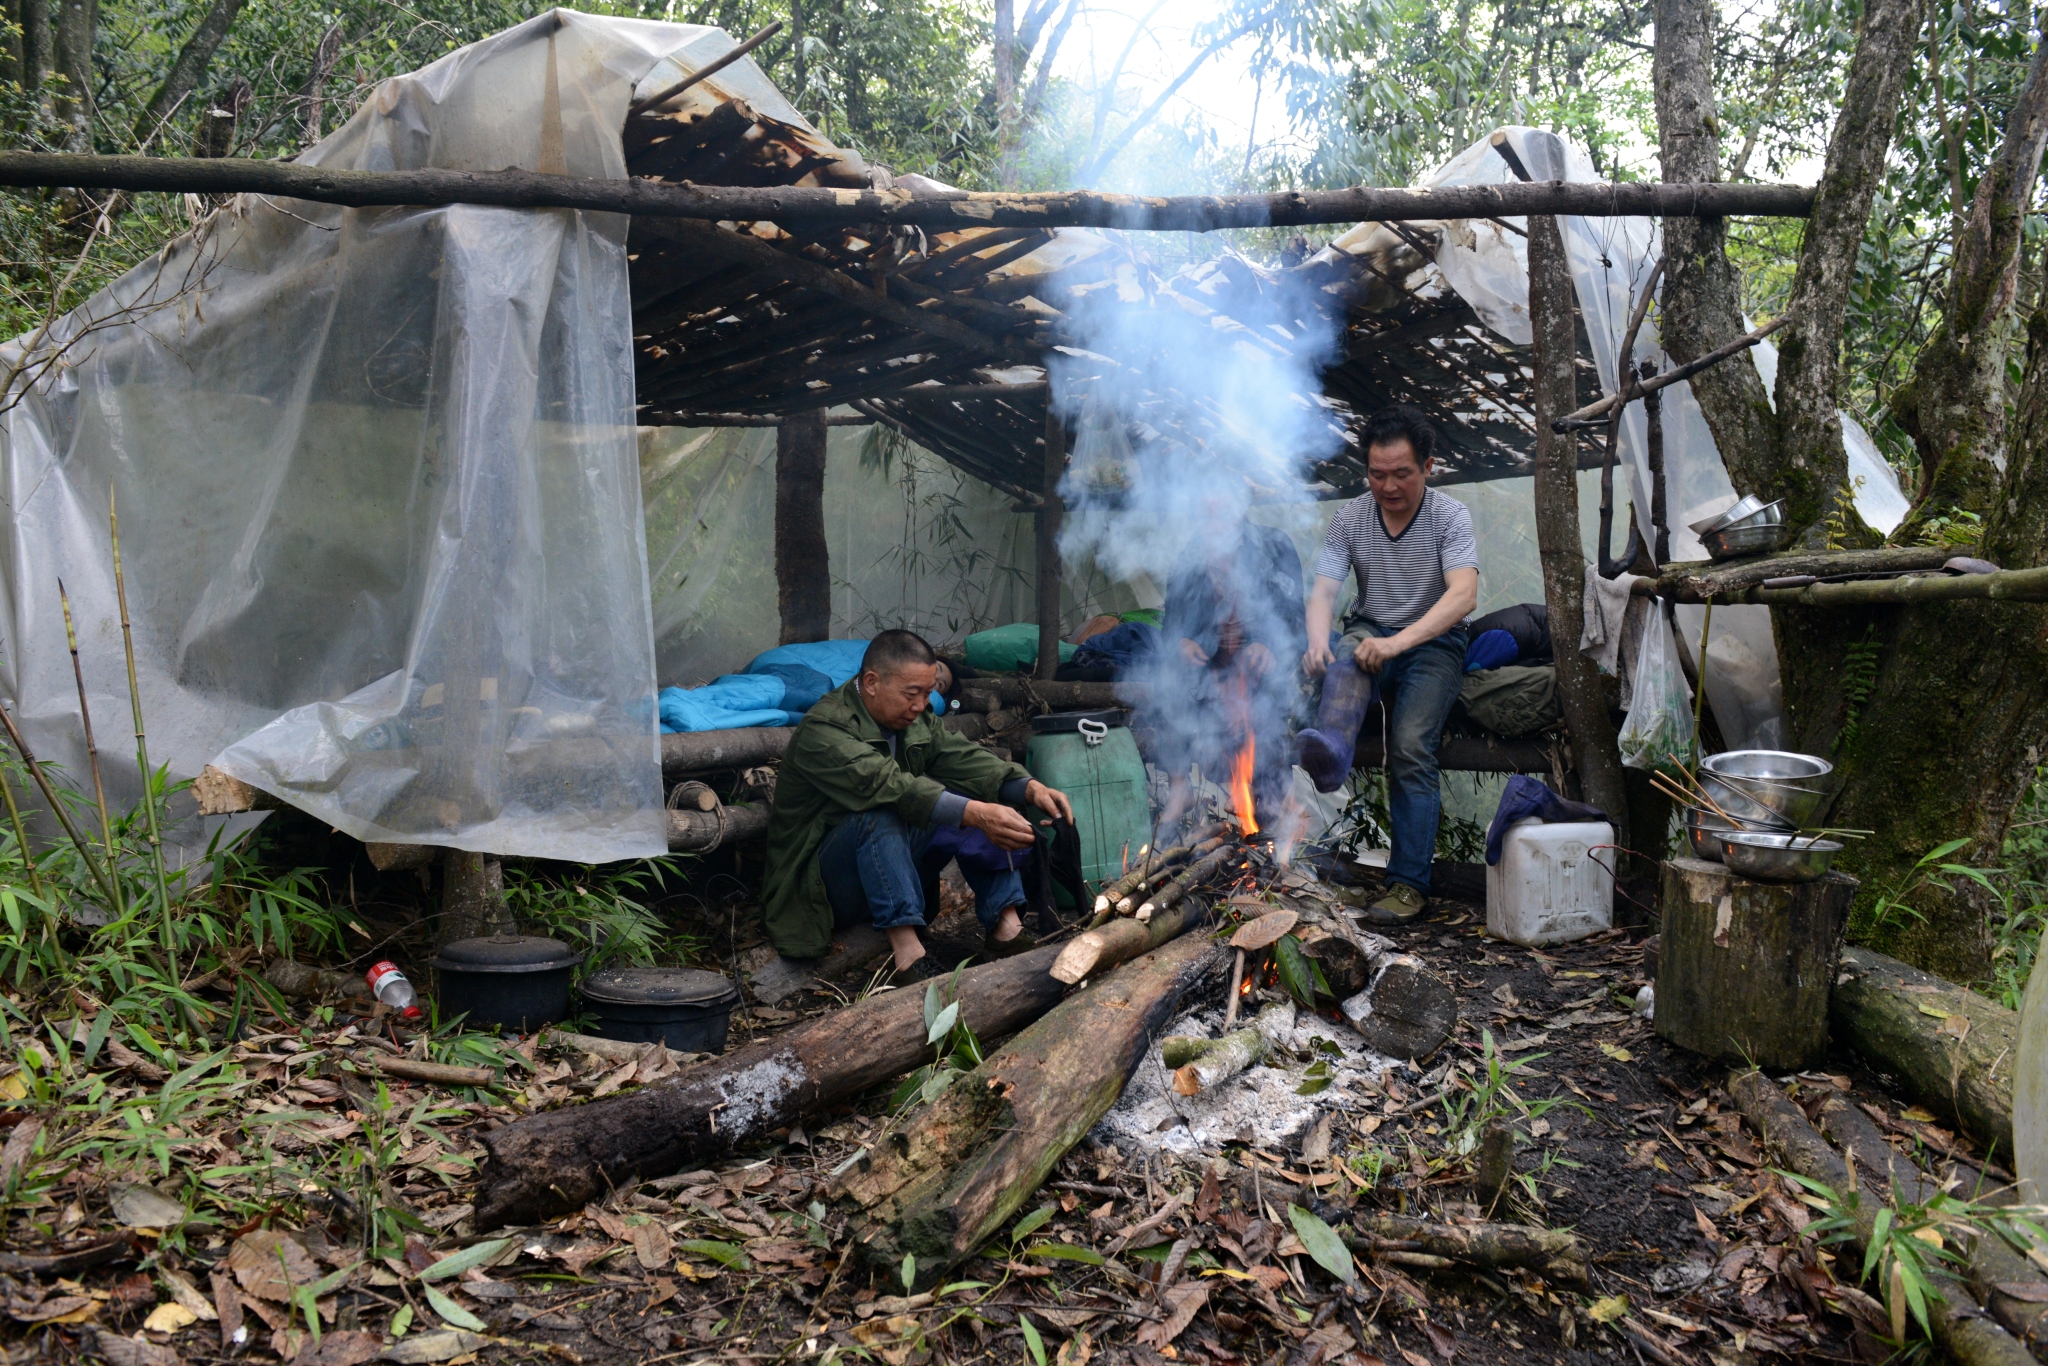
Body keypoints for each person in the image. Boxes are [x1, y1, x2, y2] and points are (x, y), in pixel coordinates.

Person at [761, 629, 1074, 980]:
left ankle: (1006, 928)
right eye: (912, 694)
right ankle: (908, 954)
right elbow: (889, 786)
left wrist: (1028, 788)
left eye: (927, 693)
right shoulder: (825, 730)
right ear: (872, 682)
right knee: (881, 812)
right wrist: (976, 815)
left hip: (886, 868)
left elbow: (959, 756)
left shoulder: (911, 719)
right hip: (820, 887)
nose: (921, 705)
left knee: (978, 793)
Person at [1298, 405, 1479, 925]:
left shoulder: (1450, 516)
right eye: (1378, 474)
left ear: (1428, 467)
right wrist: (1316, 642)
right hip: (1370, 632)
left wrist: (1399, 643)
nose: (1388, 485)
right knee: (1341, 663)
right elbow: (1324, 592)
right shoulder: (1350, 516)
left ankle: (1407, 886)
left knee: (1409, 747)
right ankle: (1331, 746)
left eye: (1402, 473)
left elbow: (1463, 595)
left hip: (1433, 642)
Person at [1157, 508, 1305, 827]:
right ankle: (1180, 788)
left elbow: (1295, 622)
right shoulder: (1189, 559)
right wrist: (1183, 644)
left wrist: (1268, 645)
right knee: (1165, 677)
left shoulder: (1273, 546)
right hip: (1209, 675)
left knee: (1266, 698)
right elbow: (1170, 630)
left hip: (1262, 675)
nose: (1212, 521)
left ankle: (1268, 799)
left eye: (1220, 510)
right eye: (1205, 512)